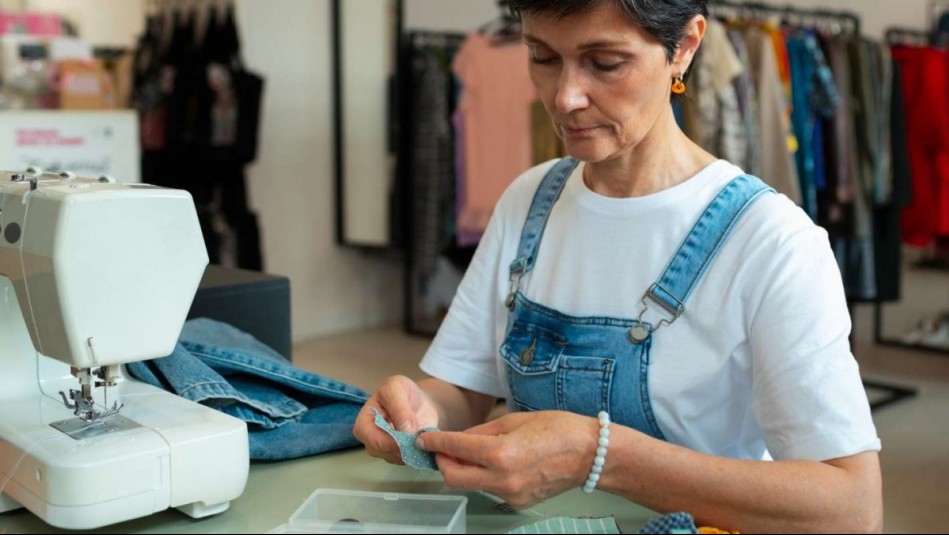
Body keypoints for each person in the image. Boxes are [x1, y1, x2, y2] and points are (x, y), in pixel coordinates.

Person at [353, 1, 883, 532]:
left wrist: (598, 455)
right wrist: (419, 410)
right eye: (542, 56)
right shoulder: (529, 200)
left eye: (605, 63)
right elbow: (464, 391)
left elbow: (851, 509)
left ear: (685, 48)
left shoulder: (770, 242)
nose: (565, 97)